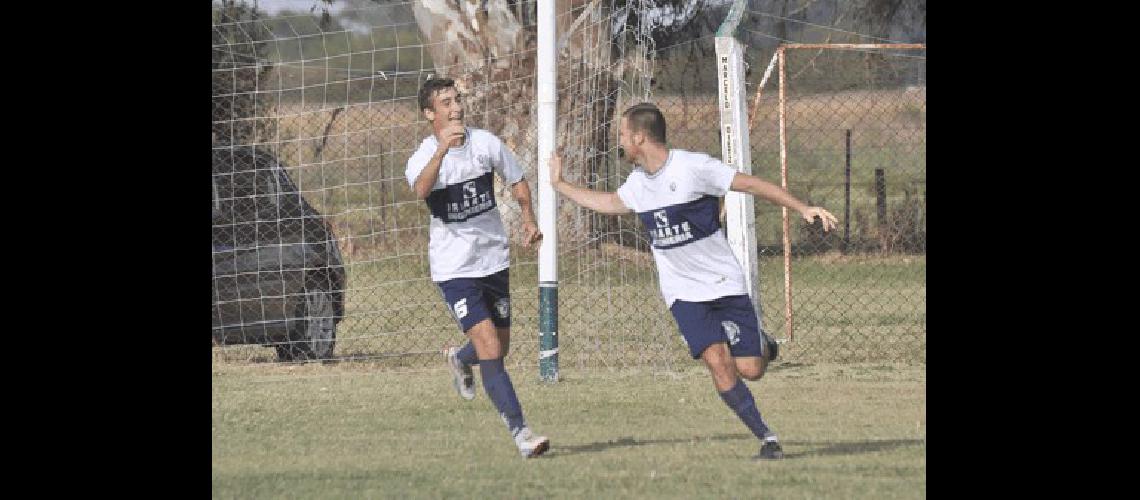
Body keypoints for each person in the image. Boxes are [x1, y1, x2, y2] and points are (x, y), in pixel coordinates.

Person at [549, 102, 838, 460]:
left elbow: (750, 184)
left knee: (750, 368)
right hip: (683, 293)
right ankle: (767, 438)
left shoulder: (693, 167)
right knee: (717, 361)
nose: (619, 142)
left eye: (623, 134)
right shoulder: (638, 184)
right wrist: (559, 185)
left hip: (723, 283)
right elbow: (608, 202)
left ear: (640, 136)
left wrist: (802, 208)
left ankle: (762, 344)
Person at [405, 78, 549, 458]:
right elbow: (420, 191)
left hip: (493, 261)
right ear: (429, 114)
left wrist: (529, 219)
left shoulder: (485, 143)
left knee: (499, 346)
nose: (455, 109)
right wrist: (441, 151)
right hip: (454, 269)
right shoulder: (423, 155)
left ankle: (459, 358)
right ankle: (522, 434)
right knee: (489, 345)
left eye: (457, 100)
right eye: (446, 104)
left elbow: (516, 178)